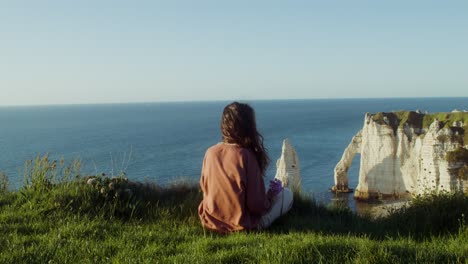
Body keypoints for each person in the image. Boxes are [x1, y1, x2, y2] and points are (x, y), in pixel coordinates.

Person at [198, 102, 293, 233]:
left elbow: (205, 188)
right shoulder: (246, 156)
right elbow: (257, 205)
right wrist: (269, 198)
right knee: (287, 195)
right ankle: (260, 225)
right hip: (241, 225)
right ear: (249, 127)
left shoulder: (210, 152)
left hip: (210, 221)